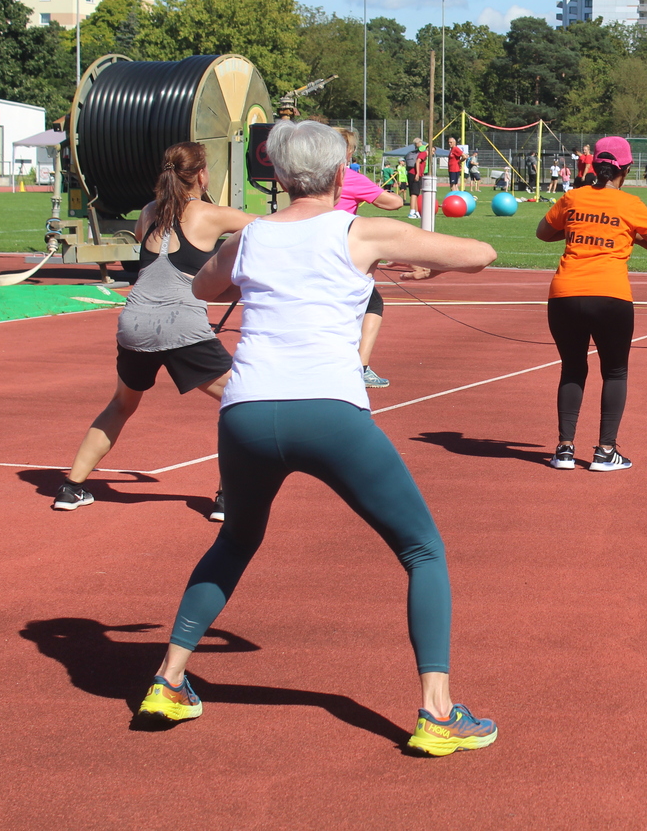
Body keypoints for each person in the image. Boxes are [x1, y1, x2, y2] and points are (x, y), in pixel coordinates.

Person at [134, 120, 500, 758]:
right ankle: (438, 713)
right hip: (327, 411)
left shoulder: (251, 237)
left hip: (247, 412)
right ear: (339, 177)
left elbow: (202, 288)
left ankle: (168, 678)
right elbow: (480, 254)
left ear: (275, 175)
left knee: (236, 538)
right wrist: (417, 262)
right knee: (421, 550)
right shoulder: (359, 229)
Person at [53, 143, 254, 522]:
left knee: (121, 404)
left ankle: (71, 486)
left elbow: (165, 268)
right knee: (241, 401)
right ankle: (229, 497)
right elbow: (271, 227)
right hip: (180, 326)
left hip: (134, 323)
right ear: (200, 175)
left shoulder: (148, 212)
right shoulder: (212, 214)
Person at [535, 136, 647, 472]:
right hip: (610, 295)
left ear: (594, 165)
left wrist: (577, 231)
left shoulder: (572, 196)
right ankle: (605, 451)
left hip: (565, 293)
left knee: (572, 368)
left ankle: (564, 450)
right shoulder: (630, 204)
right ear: (626, 169)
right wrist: (631, 235)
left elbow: (544, 232)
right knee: (615, 372)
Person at [335, 128, 404, 388]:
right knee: (372, 304)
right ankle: (360, 366)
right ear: (348, 152)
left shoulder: (306, 176)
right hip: (343, 248)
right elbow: (392, 203)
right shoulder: (348, 177)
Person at [408, 138, 427, 219]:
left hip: (410, 173)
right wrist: (418, 174)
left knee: (415, 193)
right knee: (414, 193)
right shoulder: (423, 153)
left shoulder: (415, 152)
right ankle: (412, 212)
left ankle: (416, 212)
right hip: (415, 173)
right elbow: (418, 161)